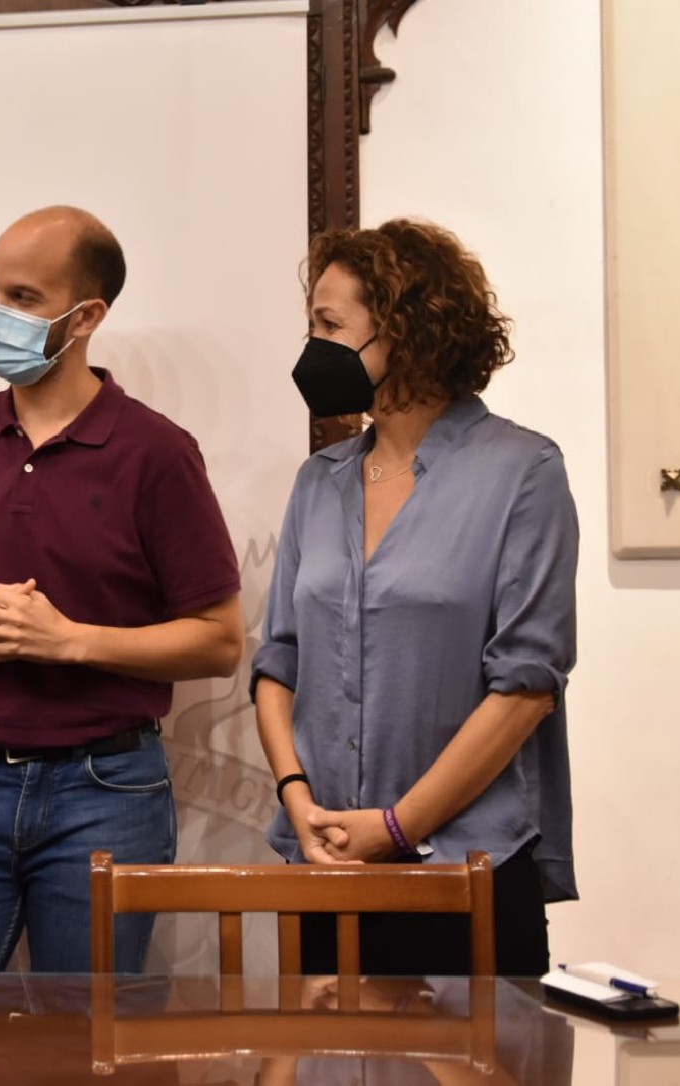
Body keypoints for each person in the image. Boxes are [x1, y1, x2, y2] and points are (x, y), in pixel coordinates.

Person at [0, 206, 245, 973]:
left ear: (87, 317)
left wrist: (70, 642)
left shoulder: (158, 452)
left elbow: (218, 641)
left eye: (24, 298)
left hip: (107, 789)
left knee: (89, 1031)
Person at [253, 218, 578, 976]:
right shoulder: (319, 481)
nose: (313, 348)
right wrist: (298, 799)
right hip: (324, 863)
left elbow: (527, 686)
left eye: (330, 326)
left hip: (468, 867)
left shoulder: (522, 471)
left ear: (404, 330)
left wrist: (398, 828)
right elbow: (278, 662)